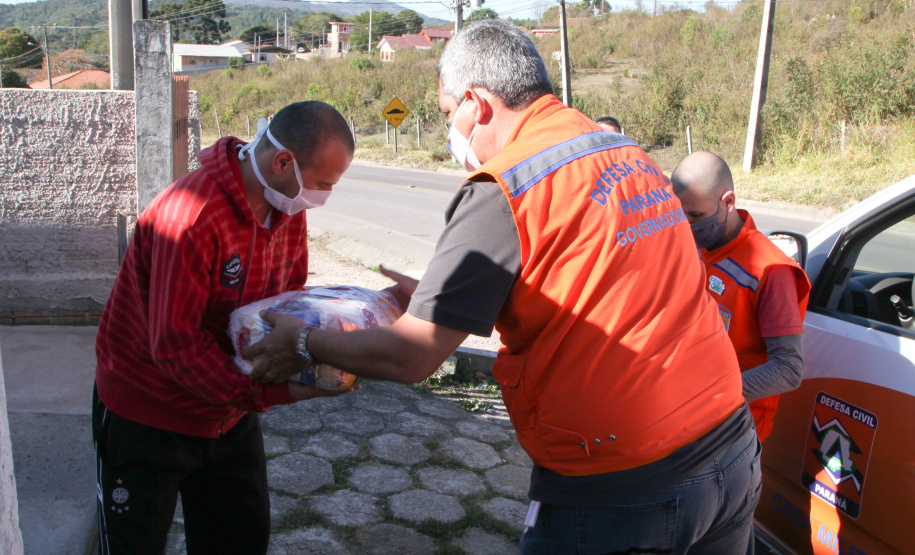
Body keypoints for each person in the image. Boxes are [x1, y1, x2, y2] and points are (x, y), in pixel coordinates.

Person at [246, 21, 760, 554]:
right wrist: (443, 297)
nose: (451, 130)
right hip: (729, 449)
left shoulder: (508, 185)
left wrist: (302, 341)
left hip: (623, 485)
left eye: (448, 114)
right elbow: (586, 281)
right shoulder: (625, 153)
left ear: (476, 103)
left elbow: (411, 359)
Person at [93, 101, 355, 554]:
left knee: (238, 537)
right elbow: (175, 346)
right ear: (283, 162)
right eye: (321, 184)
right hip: (148, 413)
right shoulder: (191, 216)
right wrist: (275, 391)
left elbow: (286, 295)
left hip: (225, 413)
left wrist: (309, 344)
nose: (321, 196)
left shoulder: (286, 207)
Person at [671, 151, 811, 441]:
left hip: (735, 428)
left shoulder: (770, 270)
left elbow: (788, 369)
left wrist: (713, 393)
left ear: (728, 203)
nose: (686, 224)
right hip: (690, 413)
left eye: (696, 215)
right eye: (679, 214)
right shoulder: (699, 246)